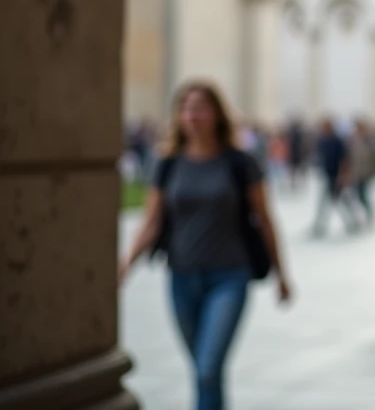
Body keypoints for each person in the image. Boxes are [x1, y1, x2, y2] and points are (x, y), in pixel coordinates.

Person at [119, 81, 292, 410]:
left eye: (199, 107)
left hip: (229, 276)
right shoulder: (168, 164)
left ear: (216, 114)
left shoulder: (239, 163)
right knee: (202, 371)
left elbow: (265, 219)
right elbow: (152, 222)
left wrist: (282, 275)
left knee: (208, 367)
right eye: (185, 108)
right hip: (182, 278)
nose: (191, 115)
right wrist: (127, 263)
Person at [311, 118, 359, 236]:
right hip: (329, 176)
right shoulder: (324, 141)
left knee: (339, 202)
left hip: (336, 177)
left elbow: (344, 160)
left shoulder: (337, 141)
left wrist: (342, 176)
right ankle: (320, 226)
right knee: (329, 202)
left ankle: (352, 222)